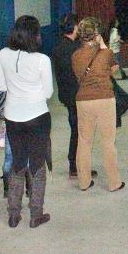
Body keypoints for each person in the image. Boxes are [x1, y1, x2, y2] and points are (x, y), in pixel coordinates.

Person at [0, 16, 53, 228]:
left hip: (13, 117)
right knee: (37, 166)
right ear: (34, 35)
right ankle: (36, 214)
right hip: (37, 117)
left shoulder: (3, 54)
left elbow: (0, 86)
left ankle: (13, 214)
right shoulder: (42, 60)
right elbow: (48, 92)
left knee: (17, 164)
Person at [71, 17, 124, 193]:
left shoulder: (75, 56)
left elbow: (78, 75)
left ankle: (84, 181)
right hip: (104, 99)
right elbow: (114, 68)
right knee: (108, 142)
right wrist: (102, 45)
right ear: (97, 34)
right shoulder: (106, 53)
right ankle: (114, 182)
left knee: (84, 142)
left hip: (83, 100)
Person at [51, 13, 81, 177]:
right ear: (75, 27)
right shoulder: (76, 49)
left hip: (66, 95)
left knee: (75, 129)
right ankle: (76, 164)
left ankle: (74, 163)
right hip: (78, 95)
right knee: (79, 131)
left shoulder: (57, 48)